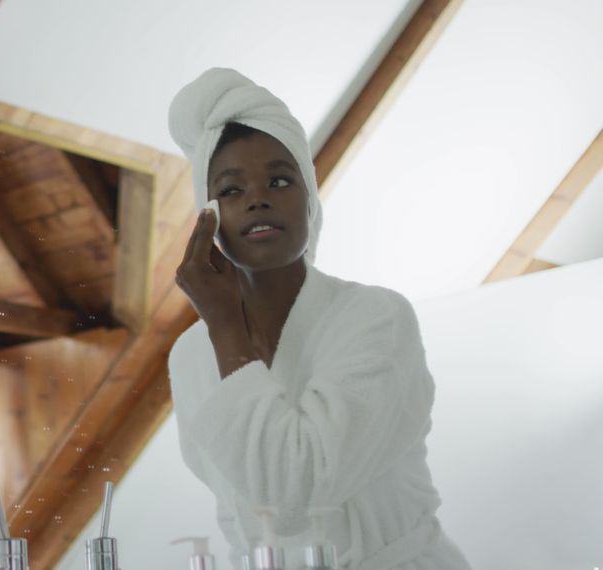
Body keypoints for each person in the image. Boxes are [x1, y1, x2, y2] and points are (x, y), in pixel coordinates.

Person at [167, 68, 471, 569]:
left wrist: (226, 324)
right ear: (207, 215)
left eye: (280, 181)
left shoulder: (375, 319)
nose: (258, 198)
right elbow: (236, 506)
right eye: (230, 190)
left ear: (310, 198)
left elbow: (293, 495)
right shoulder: (192, 355)